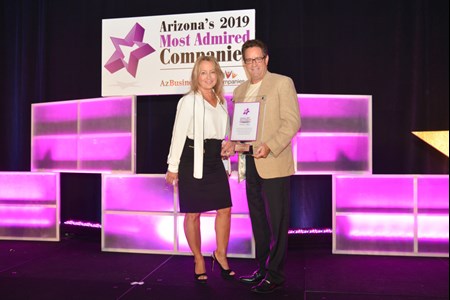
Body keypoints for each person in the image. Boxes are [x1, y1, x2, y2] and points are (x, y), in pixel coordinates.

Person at [222, 39, 301, 293]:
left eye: (258, 59)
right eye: (249, 60)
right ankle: (262, 268)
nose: (254, 64)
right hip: (250, 163)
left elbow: (291, 122)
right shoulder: (240, 91)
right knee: (258, 220)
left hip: (273, 161)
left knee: (277, 221)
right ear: (244, 63)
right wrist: (232, 143)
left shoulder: (282, 83)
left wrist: (270, 145)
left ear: (266, 60)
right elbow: (241, 128)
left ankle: (275, 275)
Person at [165, 55, 235, 284]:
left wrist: (228, 155)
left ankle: (220, 254)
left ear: (218, 75)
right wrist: (172, 167)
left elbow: (224, 136)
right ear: (196, 76)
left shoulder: (222, 101)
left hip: (216, 160)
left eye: (212, 72)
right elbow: (177, 134)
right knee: (192, 213)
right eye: (203, 72)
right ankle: (198, 258)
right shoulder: (188, 101)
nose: (208, 77)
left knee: (224, 209)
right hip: (192, 158)